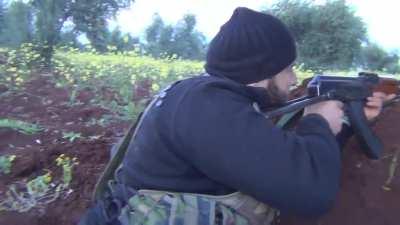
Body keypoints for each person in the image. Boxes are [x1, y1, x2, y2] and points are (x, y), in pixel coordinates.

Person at [79, 7, 394, 225]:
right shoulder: (207, 107)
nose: (293, 78)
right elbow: (312, 194)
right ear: (263, 70)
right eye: (287, 68)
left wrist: (345, 122)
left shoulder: (206, 99)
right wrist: (316, 120)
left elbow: (276, 156)